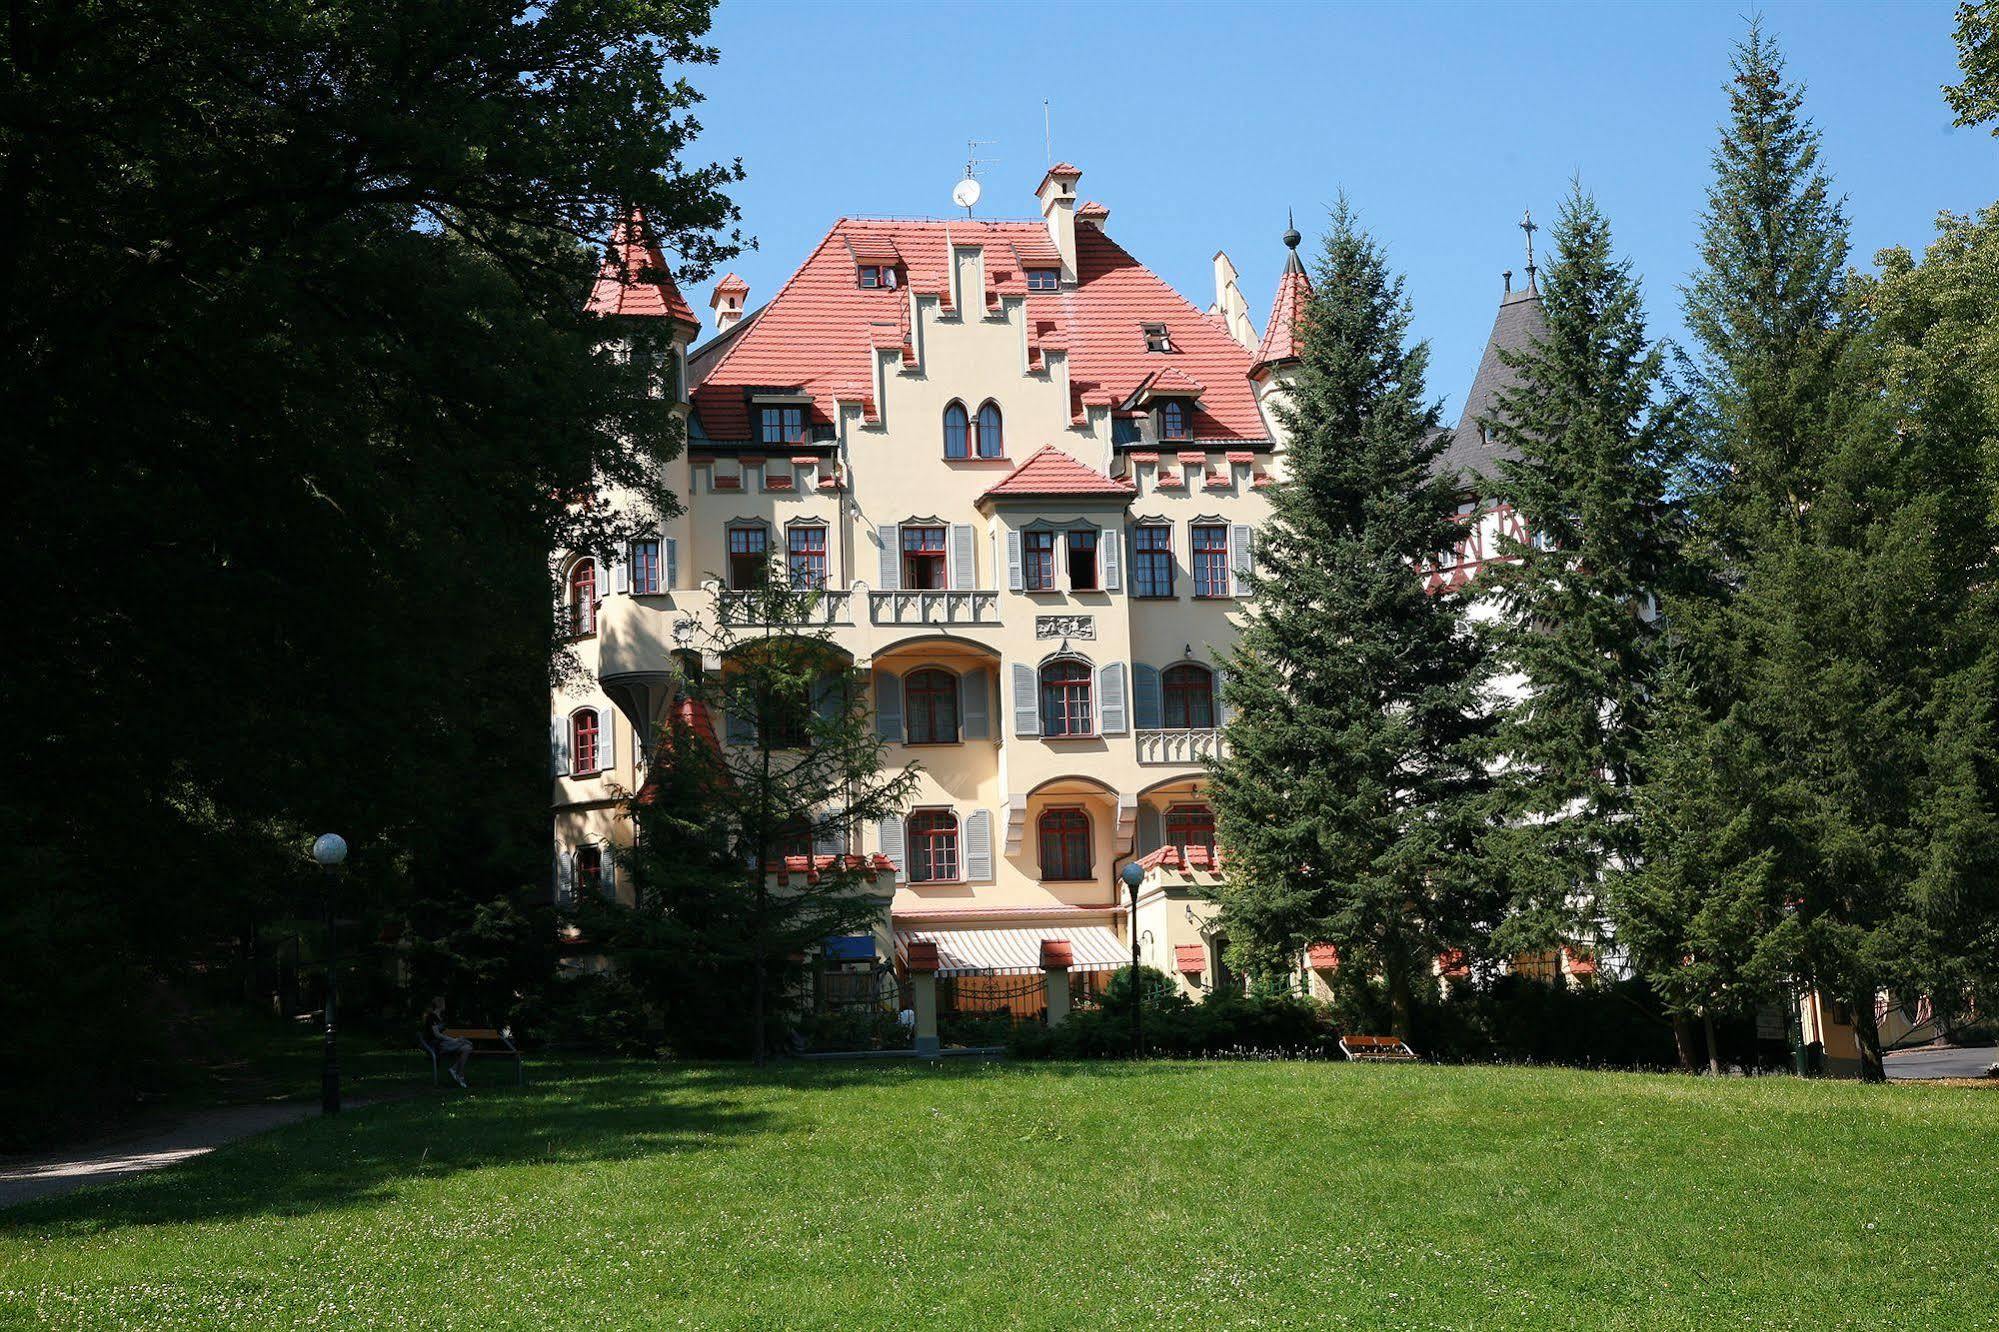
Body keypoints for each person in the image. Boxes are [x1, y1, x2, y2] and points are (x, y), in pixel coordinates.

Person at [422, 996, 473, 1087]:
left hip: (445, 1043)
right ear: (439, 1005)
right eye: (444, 1003)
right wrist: (454, 1040)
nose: (445, 1005)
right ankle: (459, 1075)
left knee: (467, 1047)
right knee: (467, 1044)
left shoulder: (442, 1017)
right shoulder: (431, 1017)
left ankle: (454, 1070)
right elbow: (437, 1035)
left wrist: (457, 1039)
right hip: (436, 1044)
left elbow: (445, 1033)